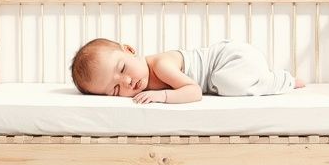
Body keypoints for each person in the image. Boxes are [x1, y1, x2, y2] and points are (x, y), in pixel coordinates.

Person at [69, 38, 305, 104]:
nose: (128, 81)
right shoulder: (140, 77)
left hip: (234, 58)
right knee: (224, 84)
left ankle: (280, 80)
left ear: (130, 50)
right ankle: (269, 78)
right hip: (233, 66)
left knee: (226, 84)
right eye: (115, 89)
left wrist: (162, 96)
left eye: (122, 68)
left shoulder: (160, 65)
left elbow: (193, 91)